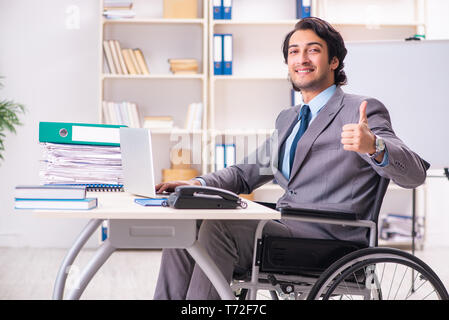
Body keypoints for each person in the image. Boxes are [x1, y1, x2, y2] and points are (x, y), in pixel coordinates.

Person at [153, 17, 429, 300]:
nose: (301, 59)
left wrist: (375, 146)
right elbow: (245, 172)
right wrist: (195, 185)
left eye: (313, 50)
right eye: (294, 52)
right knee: (186, 225)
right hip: (284, 231)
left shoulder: (360, 111)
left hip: (329, 242)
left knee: (219, 228)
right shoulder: (289, 118)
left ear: (334, 61)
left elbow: (415, 173)